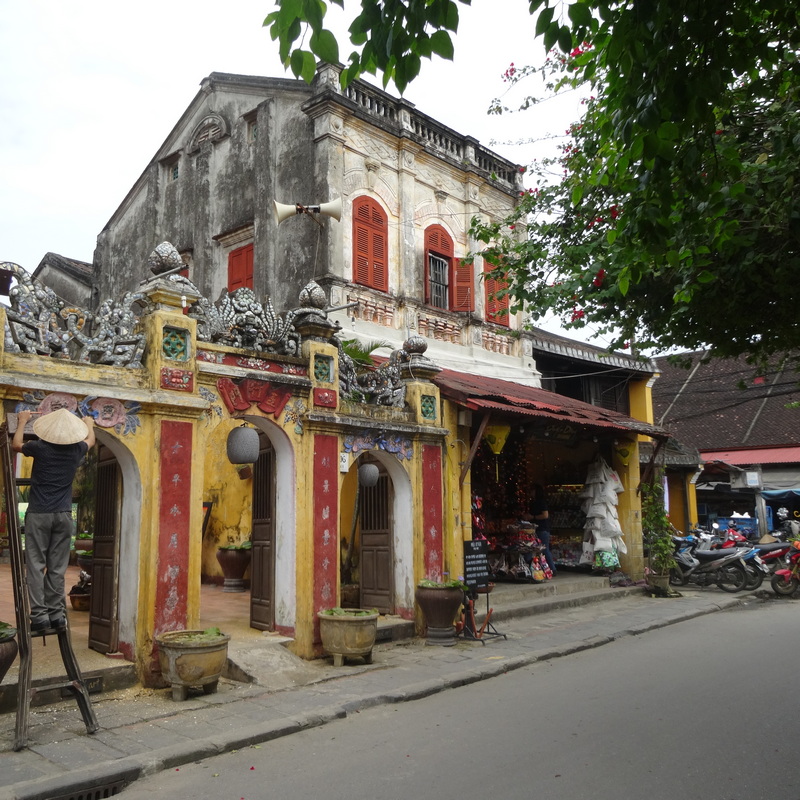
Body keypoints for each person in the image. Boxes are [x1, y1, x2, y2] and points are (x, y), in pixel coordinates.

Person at [12, 407, 95, 632]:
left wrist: (22, 421)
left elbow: (16, 445)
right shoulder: (76, 450)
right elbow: (91, 440)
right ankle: (57, 615)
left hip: (39, 514)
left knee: (36, 566)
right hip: (64, 516)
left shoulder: (40, 447)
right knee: (57, 568)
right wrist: (88, 422)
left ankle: (39, 617)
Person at [532, 484, 556, 576]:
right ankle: (545, 569)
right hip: (539, 529)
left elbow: (545, 515)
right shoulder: (535, 502)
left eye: (533, 491)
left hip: (542, 529)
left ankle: (553, 569)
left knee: (545, 549)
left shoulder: (541, 502)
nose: (531, 493)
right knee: (542, 550)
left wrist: (533, 517)